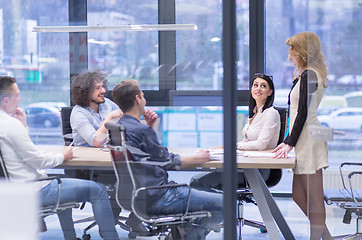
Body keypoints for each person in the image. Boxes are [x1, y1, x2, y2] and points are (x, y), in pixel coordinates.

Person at [0, 76, 119, 240]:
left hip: (15, 188)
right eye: (17, 95)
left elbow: (22, 153)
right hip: (34, 189)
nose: (20, 99)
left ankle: (70, 237)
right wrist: (61, 156)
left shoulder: (6, 124)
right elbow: (36, 159)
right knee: (98, 190)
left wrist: (24, 126)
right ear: (6, 100)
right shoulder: (10, 125)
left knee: (63, 186)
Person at [112, 79, 223, 240]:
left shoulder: (119, 126)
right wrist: (198, 158)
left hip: (137, 196)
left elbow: (150, 155)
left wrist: (150, 125)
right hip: (161, 196)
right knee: (226, 203)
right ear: (137, 99)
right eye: (142, 96)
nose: (144, 99)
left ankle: (181, 233)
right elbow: (168, 161)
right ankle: (188, 236)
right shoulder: (141, 130)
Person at [70, 69, 157, 235]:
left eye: (103, 87)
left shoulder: (107, 105)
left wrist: (148, 124)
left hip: (113, 158)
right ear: (84, 91)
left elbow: (131, 127)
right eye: (97, 88)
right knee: (128, 179)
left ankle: (132, 218)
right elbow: (96, 141)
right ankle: (109, 224)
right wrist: (108, 119)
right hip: (92, 166)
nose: (103, 91)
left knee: (147, 175)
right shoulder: (78, 113)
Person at [272, 32, 332, 240]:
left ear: (303, 51)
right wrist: (289, 141)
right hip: (305, 138)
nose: (289, 54)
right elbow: (297, 112)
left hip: (310, 138)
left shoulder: (310, 74)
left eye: (292, 49)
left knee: (315, 200)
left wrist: (289, 143)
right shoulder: (307, 73)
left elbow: (304, 113)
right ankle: (327, 237)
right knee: (298, 195)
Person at [190, 73, 280, 190]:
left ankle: (219, 207)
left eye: (263, 86)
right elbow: (247, 142)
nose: (258, 88)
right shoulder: (254, 113)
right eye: (255, 85)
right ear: (251, 89)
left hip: (257, 170)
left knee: (197, 182)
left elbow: (260, 144)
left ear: (270, 92)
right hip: (246, 165)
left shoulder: (271, 113)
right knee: (196, 179)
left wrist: (233, 146)